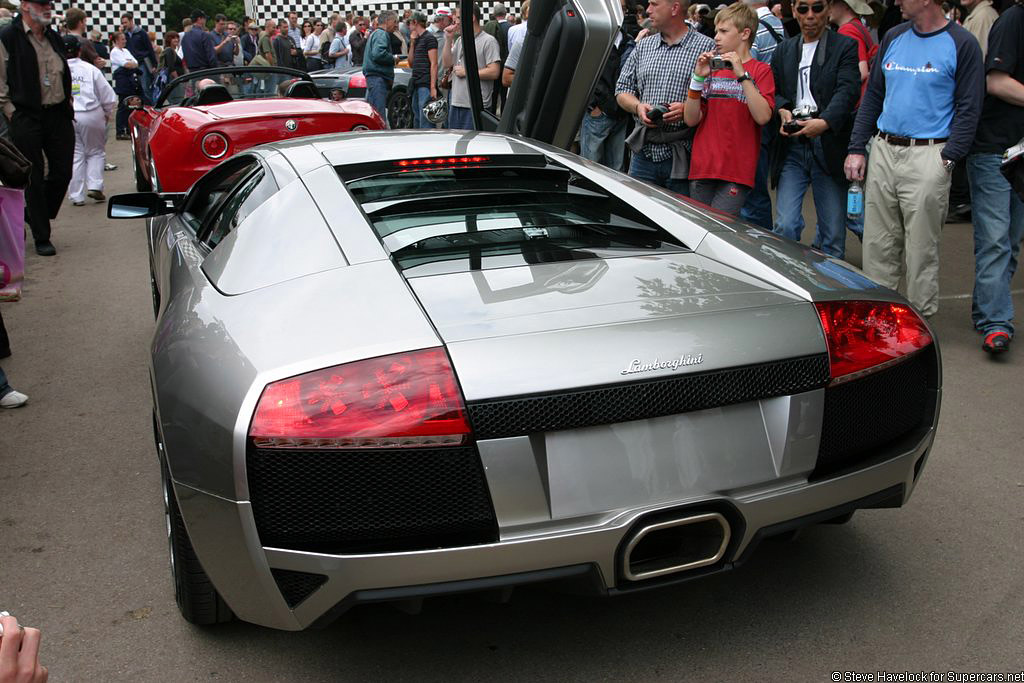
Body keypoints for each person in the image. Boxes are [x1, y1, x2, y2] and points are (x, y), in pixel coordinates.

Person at [845, 0, 984, 318]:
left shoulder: (962, 43)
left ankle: (919, 323)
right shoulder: (894, 36)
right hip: (883, 149)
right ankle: (880, 319)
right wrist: (856, 148)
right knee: (878, 244)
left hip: (930, 154)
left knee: (922, 248)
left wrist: (946, 162)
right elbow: (874, 96)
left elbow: (969, 107)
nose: (895, 2)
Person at [770, 0, 860, 258]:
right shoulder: (784, 49)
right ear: (794, 11)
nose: (810, 16)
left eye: (817, 8)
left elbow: (848, 90)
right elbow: (773, 91)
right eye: (803, 9)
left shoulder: (845, 46)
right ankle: (792, 281)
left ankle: (832, 292)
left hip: (828, 142)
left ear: (829, 10)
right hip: (793, 144)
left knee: (832, 233)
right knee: (785, 225)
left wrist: (826, 122)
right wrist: (783, 109)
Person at [967, 1, 1024, 353]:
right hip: (994, 149)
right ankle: (996, 321)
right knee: (996, 240)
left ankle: (986, 309)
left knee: (1010, 241)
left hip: (1017, 149)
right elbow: (997, 82)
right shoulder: (1013, 20)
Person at [615, 0, 715, 195]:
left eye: (654, 4)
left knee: (680, 221)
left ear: (675, 8)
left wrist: (688, 108)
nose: (648, 10)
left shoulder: (706, 47)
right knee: (639, 218)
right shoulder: (644, 46)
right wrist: (637, 106)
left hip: (684, 155)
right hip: (643, 153)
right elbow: (621, 89)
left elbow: (716, 99)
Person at [0, 0, 75, 257]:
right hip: (26, 115)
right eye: (41, 3)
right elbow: (1, 81)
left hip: (58, 114)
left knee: (63, 171)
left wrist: (68, 101)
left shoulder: (53, 36)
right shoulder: (8, 36)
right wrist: (11, 113)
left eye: (49, 4)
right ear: (25, 6)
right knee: (32, 176)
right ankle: (42, 236)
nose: (47, 8)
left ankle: (34, 213)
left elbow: (62, 72)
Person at [684, 2, 774, 214]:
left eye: (723, 31)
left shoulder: (761, 71)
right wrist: (697, 78)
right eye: (716, 31)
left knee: (717, 234)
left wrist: (742, 74)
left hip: (736, 170)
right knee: (699, 231)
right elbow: (690, 119)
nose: (716, 37)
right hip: (703, 165)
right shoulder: (712, 69)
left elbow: (763, 117)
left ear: (745, 33)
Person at [738, 0, 785, 228]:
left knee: (751, 192)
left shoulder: (755, 27)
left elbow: (748, 68)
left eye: (723, 31)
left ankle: (758, 246)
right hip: (765, 107)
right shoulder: (777, 24)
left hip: (754, 113)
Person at [65, 35, 115, 207]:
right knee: (95, 151)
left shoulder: (59, 68)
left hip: (68, 115)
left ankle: (76, 195)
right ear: (79, 50)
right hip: (91, 113)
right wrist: (107, 112)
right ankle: (95, 185)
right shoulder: (90, 69)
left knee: (76, 155)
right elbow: (108, 95)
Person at [580, 20, 635, 171]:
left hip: (620, 112)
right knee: (591, 168)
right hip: (599, 111)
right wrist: (592, 105)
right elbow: (582, 72)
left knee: (616, 168)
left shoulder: (627, 40)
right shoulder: (594, 36)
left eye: (623, 7)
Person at [443, 3, 501, 130]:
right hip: (456, 102)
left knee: (474, 146)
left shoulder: (488, 41)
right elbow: (447, 64)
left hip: (475, 105)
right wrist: (448, 40)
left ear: (471, 17)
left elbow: (494, 72)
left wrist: (467, 72)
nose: (455, 21)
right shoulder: (459, 41)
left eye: (458, 18)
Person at [364, 11, 399, 123]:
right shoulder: (381, 34)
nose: (396, 25)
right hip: (378, 79)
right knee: (379, 115)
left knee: (374, 113)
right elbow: (378, 54)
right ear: (387, 21)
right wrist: (393, 58)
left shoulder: (375, 33)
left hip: (374, 79)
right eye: (395, 22)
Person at [110, 31, 141, 141]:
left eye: (124, 39)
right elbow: (126, 64)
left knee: (130, 106)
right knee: (123, 106)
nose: (125, 41)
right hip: (122, 81)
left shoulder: (126, 51)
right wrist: (130, 64)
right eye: (122, 39)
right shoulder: (114, 52)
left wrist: (130, 64)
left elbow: (135, 62)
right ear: (116, 41)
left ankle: (128, 129)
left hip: (130, 80)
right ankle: (120, 130)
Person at [409, 12, 438, 128]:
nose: (408, 26)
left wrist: (432, 87)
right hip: (416, 83)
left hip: (425, 84)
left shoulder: (429, 38)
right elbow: (411, 62)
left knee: (425, 120)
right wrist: (412, 43)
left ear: (415, 23)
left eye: (409, 23)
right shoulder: (416, 40)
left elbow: (434, 63)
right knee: (417, 118)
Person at [121, 12, 156, 104]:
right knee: (136, 87)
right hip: (132, 64)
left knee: (145, 87)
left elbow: (149, 49)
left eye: (125, 22)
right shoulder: (124, 35)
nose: (124, 25)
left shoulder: (141, 33)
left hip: (142, 62)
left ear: (131, 21)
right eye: (123, 23)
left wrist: (154, 64)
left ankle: (152, 106)